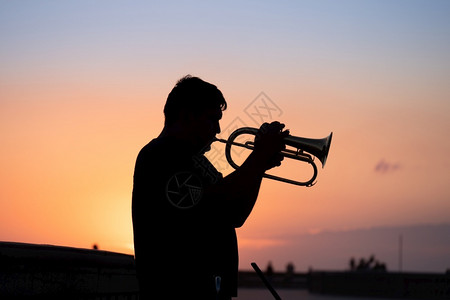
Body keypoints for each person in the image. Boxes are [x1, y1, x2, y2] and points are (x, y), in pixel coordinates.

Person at [132, 75, 288, 299]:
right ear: (187, 115)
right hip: (179, 289)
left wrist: (259, 169)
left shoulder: (198, 161)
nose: (218, 129)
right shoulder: (160, 155)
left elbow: (235, 213)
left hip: (211, 289)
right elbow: (213, 197)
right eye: (212, 119)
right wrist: (258, 157)